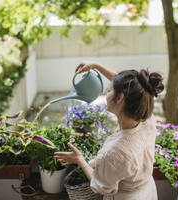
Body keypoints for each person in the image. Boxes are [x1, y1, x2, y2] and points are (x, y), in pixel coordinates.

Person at [54, 62, 164, 200]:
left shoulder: (116, 152)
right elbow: (128, 86)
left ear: (120, 98)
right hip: (147, 191)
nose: (106, 94)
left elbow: (101, 186)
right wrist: (96, 66)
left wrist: (79, 160)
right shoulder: (146, 118)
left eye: (109, 90)